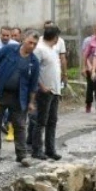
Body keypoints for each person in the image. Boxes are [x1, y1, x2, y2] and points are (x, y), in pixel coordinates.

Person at [0, 31, 41, 167]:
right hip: (0, 93)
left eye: (35, 44)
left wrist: (31, 102)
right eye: (30, 42)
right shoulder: (9, 50)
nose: (32, 46)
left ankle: (21, 155)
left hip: (19, 97)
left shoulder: (34, 62)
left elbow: (33, 84)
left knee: (20, 125)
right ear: (23, 39)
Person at [29, 26, 63, 161]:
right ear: (55, 37)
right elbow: (33, 71)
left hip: (54, 90)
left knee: (52, 121)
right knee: (41, 121)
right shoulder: (39, 49)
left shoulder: (53, 50)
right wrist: (41, 86)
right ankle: (37, 149)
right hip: (44, 91)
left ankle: (50, 149)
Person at [82, 23, 96, 114]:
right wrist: (88, 67)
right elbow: (85, 55)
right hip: (93, 69)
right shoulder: (90, 41)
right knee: (92, 87)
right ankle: (90, 104)